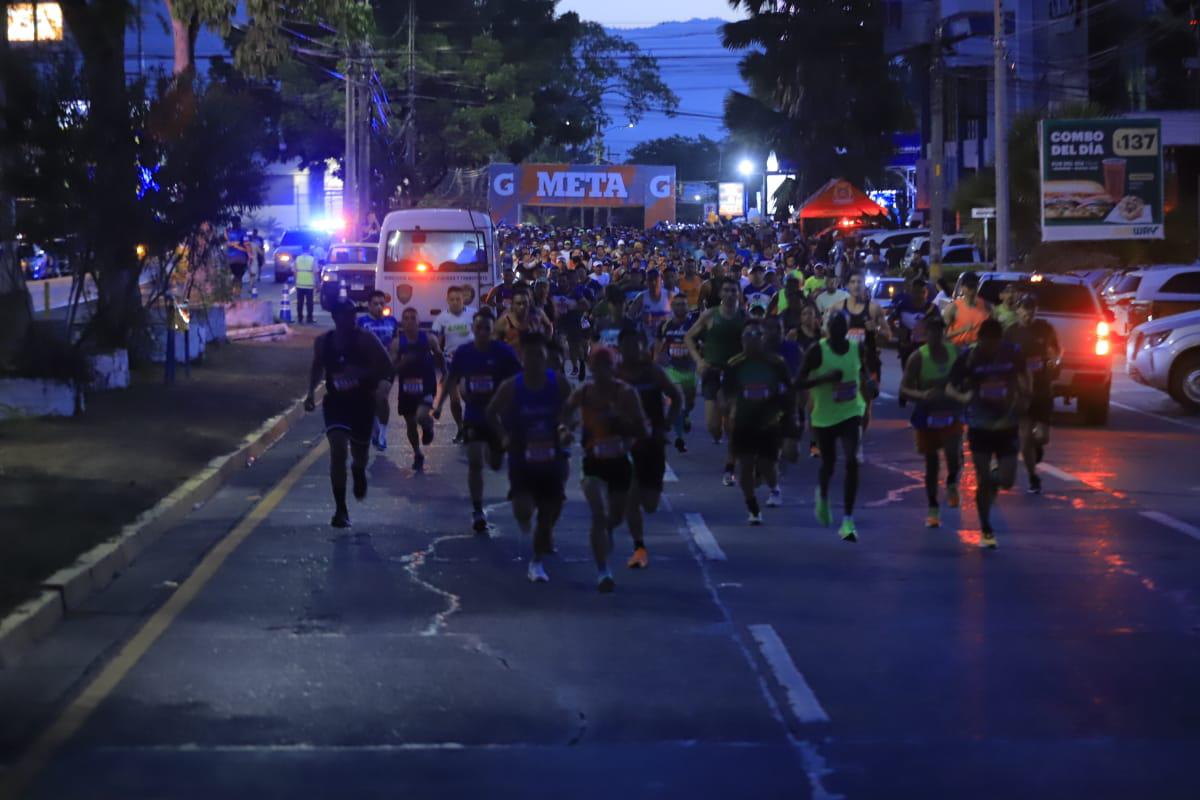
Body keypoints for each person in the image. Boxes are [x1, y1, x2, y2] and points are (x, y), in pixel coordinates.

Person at [486, 332, 572, 582]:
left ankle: (536, 561)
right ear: (522, 357)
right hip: (521, 458)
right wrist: (503, 436)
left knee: (549, 510)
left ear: (545, 357)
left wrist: (566, 428)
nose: (534, 360)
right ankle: (531, 525)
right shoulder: (511, 386)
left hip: (551, 456)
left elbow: (572, 411)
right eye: (530, 355)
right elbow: (491, 413)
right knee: (524, 512)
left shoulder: (558, 383)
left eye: (539, 355)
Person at [565, 346, 649, 593]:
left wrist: (621, 426)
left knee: (614, 517)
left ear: (614, 368)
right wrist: (566, 429)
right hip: (593, 461)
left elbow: (643, 429)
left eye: (607, 367)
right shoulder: (584, 393)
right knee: (598, 514)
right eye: (597, 366)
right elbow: (565, 414)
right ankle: (603, 571)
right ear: (591, 368)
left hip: (620, 462)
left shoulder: (626, 394)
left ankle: (608, 532)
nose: (602, 372)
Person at [304, 300, 392, 528]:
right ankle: (340, 509)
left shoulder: (366, 340)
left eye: (353, 315)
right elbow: (317, 367)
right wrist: (310, 394)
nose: (351, 320)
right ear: (335, 318)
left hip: (362, 403)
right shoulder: (323, 342)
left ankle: (359, 469)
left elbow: (387, 367)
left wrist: (379, 384)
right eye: (346, 316)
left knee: (359, 454)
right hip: (336, 403)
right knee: (338, 450)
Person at [435, 309, 522, 532]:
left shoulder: (503, 352)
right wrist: (439, 405)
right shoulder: (464, 353)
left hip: (498, 416)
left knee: (494, 462)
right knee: (475, 462)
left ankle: (495, 452)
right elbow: (451, 379)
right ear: (472, 329)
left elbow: (518, 380)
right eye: (479, 328)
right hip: (474, 414)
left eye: (487, 328)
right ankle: (477, 510)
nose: (482, 332)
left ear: (493, 330)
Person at [946, 318, 1030, 549]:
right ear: (980, 340)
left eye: (996, 343)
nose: (992, 348)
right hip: (980, 425)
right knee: (983, 481)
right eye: (987, 343)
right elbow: (950, 386)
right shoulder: (969, 357)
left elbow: (1024, 378)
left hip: (1007, 424)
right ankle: (986, 528)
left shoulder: (1012, 354)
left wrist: (1025, 395)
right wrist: (963, 398)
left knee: (1007, 481)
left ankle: (994, 479)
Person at [799, 313, 873, 542]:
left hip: (851, 412)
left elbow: (863, 372)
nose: (838, 329)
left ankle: (848, 520)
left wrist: (869, 383)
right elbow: (798, 382)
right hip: (824, 416)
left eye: (842, 325)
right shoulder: (817, 351)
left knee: (852, 460)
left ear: (848, 328)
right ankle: (822, 495)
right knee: (828, 464)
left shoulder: (856, 348)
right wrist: (824, 379)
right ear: (827, 328)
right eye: (834, 325)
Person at [617, 328, 682, 567]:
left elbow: (676, 397)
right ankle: (639, 547)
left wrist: (666, 424)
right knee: (631, 496)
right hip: (627, 445)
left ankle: (639, 539)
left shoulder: (653, 372)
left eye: (637, 346)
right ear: (621, 349)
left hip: (653, 443)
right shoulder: (616, 375)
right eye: (627, 347)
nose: (632, 351)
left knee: (650, 504)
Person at [723, 321, 794, 522]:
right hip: (744, 423)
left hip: (769, 423)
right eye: (748, 337)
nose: (752, 341)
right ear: (742, 341)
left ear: (764, 340)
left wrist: (789, 422)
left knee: (766, 465)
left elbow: (789, 392)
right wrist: (731, 409)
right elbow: (726, 394)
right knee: (745, 466)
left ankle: (774, 488)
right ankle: (752, 507)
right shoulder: (734, 364)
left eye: (757, 337)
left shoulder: (777, 363)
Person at [899, 311, 963, 528]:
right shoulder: (917, 358)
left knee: (953, 455)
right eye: (932, 332)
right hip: (927, 415)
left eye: (939, 331)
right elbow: (904, 389)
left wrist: (960, 394)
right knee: (932, 463)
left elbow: (966, 379)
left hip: (951, 411)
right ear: (926, 334)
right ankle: (933, 508)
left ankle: (952, 480)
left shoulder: (955, 353)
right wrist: (922, 395)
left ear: (944, 332)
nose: (936, 336)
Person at [685, 281, 748, 487]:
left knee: (733, 422)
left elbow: (753, 345)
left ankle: (730, 466)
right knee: (714, 427)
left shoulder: (744, 318)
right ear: (720, 293)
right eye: (727, 290)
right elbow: (688, 337)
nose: (730, 294)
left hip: (736, 374)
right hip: (712, 371)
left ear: (739, 294)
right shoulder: (710, 315)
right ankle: (723, 430)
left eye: (733, 290)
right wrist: (699, 361)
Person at [1004, 293, 1059, 495]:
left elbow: (1056, 351)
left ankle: (1037, 448)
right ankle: (1032, 476)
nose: (1028, 312)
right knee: (1025, 437)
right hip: (1022, 392)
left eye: (1031, 308)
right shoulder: (1011, 333)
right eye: (1024, 308)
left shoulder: (1045, 329)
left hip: (1043, 389)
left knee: (1042, 437)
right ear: (1017, 310)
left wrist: (1054, 363)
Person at [394, 308, 445, 472]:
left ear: (418, 321)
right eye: (406, 318)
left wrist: (444, 373)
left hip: (426, 385)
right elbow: (391, 368)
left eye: (412, 318)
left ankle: (428, 426)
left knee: (421, 416)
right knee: (410, 423)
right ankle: (417, 453)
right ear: (402, 321)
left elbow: (439, 355)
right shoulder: (397, 343)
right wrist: (403, 363)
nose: (409, 321)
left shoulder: (429, 339)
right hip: (406, 388)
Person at [356, 290, 401, 451]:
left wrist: (395, 363)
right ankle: (374, 428)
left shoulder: (392, 321)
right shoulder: (361, 323)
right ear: (369, 305)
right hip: (367, 369)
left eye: (382, 303)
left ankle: (382, 434)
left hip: (386, 369)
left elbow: (397, 345)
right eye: (375, 304)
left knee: (381, 398)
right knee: (370, 401)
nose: (379, 307)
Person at [655, 294, 699, 453]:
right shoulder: (665, 325)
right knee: (678, 400)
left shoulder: (694, 324)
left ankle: (686, 415)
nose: (680, 307)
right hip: (672, 370)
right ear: (672, 307)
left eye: (683, 305)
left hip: (691, 369)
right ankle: (680, 438)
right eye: (677, 304)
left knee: (690, 402)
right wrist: (656, 362)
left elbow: (702, 343)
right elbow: (659, 346)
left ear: (688, 307)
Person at [432, 286, 476, 443]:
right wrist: (439, 358)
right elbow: (437, 342)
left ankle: (472, 425)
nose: (456, 302)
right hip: (451, 364)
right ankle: (460, 428)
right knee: (455, 400)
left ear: (463, 299)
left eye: (458, 299)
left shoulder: (473, 314)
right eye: (452, 299)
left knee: (466, 394)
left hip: (470, 362)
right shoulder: (441, 318)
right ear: (447, 300)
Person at [890, 278, 935, 406]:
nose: (919, 295)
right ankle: (904, 393)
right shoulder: (902, 305)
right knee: (907, 370)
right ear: (911, 292)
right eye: (916, 292)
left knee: (923, 371)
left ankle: (921, 395)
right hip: (906, 345)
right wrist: (897, 332)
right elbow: (891, 320)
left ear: (925, 292)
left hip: (924, 346)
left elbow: (939, 327)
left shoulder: (931, 308)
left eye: (922, 292)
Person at [944, 271, 991, 347]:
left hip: (979, 350)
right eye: (969, 287)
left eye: (974, 286)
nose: (972, 290)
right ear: (962, 287)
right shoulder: (953, 307)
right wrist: (961, 330)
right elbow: (943, 336)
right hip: (960, 349)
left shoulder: (986, 305)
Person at [294, 243, 317, 324]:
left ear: (302, 250)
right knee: (309, 303)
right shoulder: (312, 259)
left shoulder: (297, 258)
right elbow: (315, 271)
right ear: (309, 249)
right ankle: (309, 318)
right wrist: (316, 283)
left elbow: (294, 271)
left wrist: (296, 280)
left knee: (300, 302)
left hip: (299, 283)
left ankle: (300, 318)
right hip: (309, 284)